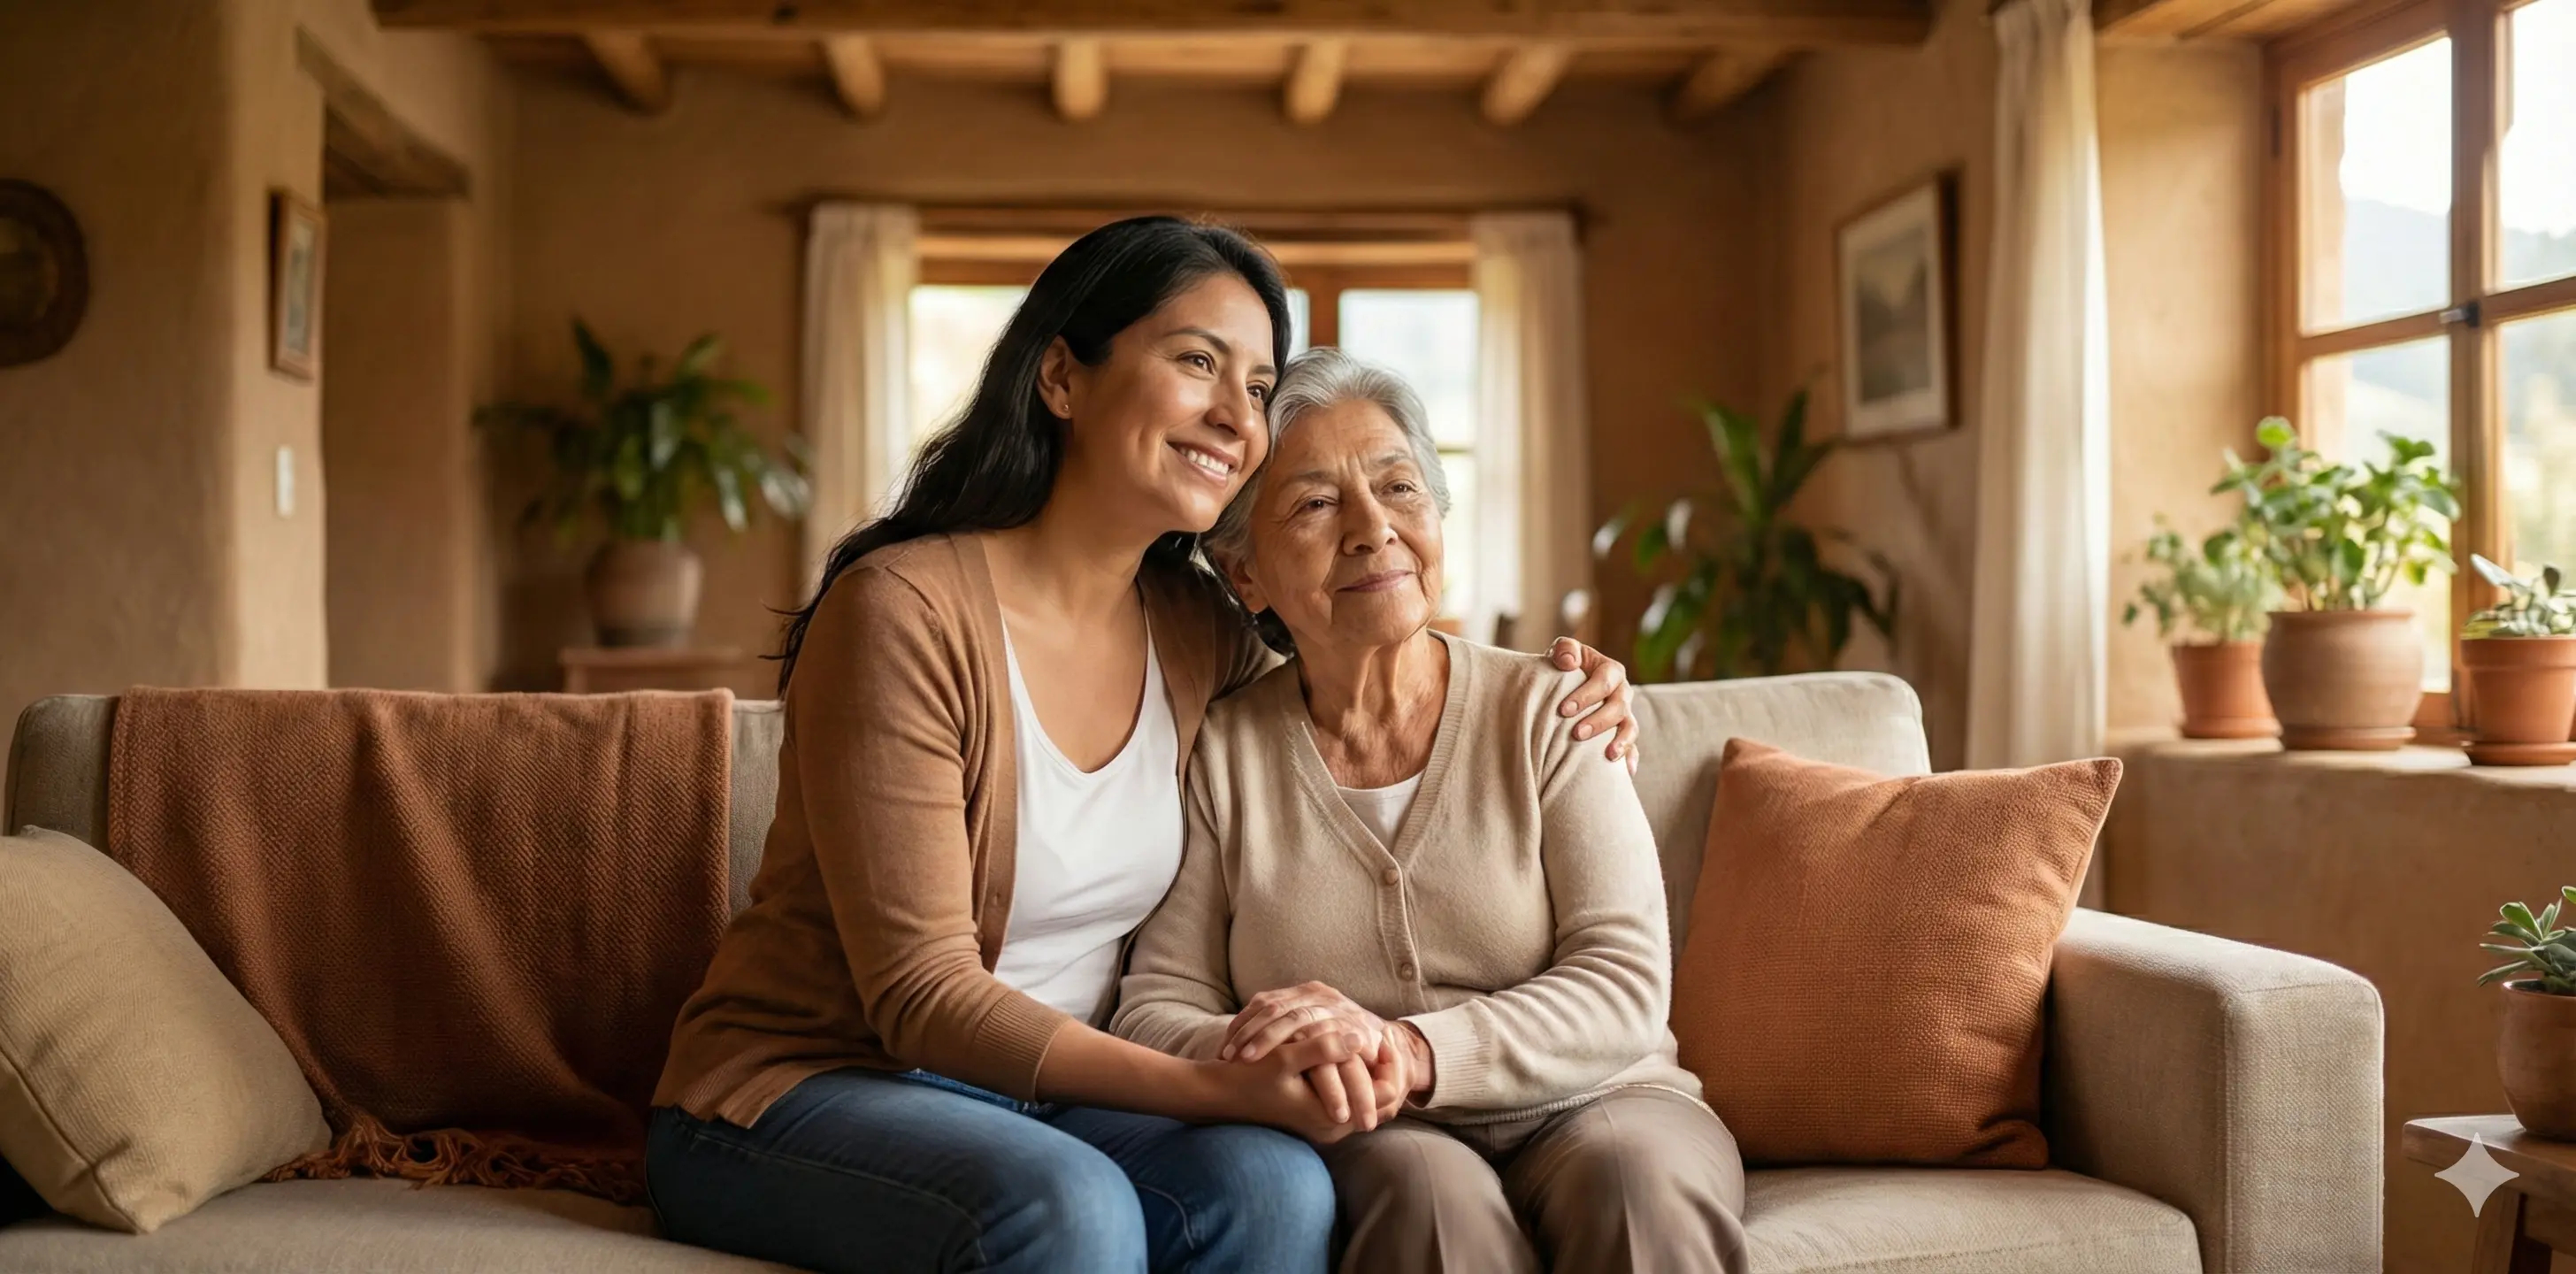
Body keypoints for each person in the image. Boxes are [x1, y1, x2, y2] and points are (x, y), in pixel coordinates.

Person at [644, 218, 1641, 1274]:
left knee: (1272, 1188)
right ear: (1062, 378)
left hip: (1048, 1100)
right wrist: (1215, 1085)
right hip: (813, 1086)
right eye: (1196, 362)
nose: (1234, 416)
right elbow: (920, 998)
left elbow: (1351, 680)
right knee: (1072, 1210)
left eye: (1256, 387)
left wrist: (1565, 686)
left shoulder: (1194, 628)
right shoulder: (902, 611)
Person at [1114, 348, 1749, 1274]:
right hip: (1374, 1129)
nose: (1372, 530)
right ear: (1244, 576)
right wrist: (1290, 1051)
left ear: (1437, 520)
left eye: (1398, 488)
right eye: (1315, 504)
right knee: (1428, 1204)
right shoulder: (1224, 753)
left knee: (1632, 1189)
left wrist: (1407, 1047)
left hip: (1602, 1099)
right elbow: (1155, 1007)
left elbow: (1621, 983)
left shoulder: (1553, 708)